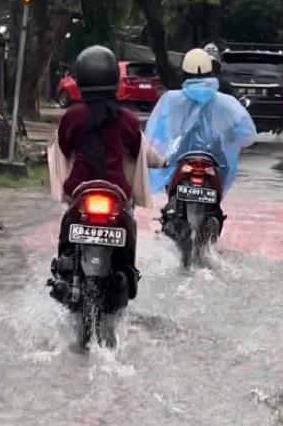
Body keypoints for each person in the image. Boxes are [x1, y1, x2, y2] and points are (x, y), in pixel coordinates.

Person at [53, 45, 145, 264]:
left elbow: (65, 148)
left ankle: (66, 260)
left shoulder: (72, 116)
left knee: (68, 221)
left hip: (78, 186)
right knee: (128, 223)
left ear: (81, 80)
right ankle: (127, 267)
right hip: (117, 188)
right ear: (115, 79)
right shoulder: (128, 118)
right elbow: (135, 149)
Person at [146, 48, 257, 196]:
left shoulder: (171, 99)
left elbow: (154, 132)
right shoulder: (227, 102)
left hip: (180, 155)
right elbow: (247, 135)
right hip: (216, 157)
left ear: (184, 72)